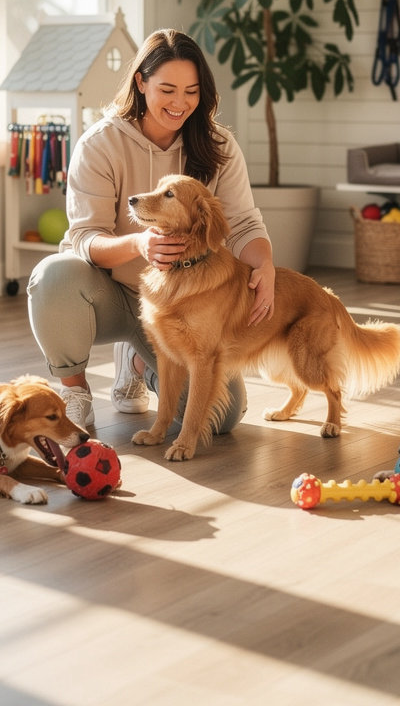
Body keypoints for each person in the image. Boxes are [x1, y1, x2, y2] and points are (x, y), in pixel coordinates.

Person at [26, 28, 276, 430]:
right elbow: (85, 237)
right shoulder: (99, 144)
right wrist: (139, 244)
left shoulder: (218, 145)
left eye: (191, 91)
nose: (180, 103)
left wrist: (264, 265)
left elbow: (244, 223)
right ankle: (75, 390)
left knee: (222, 419)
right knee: (52, 275)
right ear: (141, 83)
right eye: (167, 90)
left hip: (180, 302)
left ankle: (138, 364)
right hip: (110, 291)